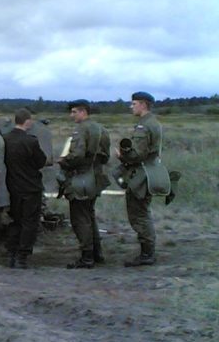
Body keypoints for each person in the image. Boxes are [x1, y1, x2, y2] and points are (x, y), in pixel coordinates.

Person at [57, 100, 110, 269]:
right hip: (96, 176)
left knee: (80, 218)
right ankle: (96, 253)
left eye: (74, 112)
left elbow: (77, 155)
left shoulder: (81, 129)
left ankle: (87, 257)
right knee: (89, 215)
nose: (71, 115)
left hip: (81, 178)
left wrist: (64, 162)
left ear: (83, 112)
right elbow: (106, 156)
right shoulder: (102, 129)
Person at [117, 91, 162, 267]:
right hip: (148, 171)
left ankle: (147, 254)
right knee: (141, 212)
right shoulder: (152, 122)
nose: (131, 106)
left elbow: (138, 154)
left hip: (142, 174)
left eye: (134, 103)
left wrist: (122, 155)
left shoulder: (144, 126)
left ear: (143, 104)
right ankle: (147, 252)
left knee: (139, 214)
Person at [3, 108, 48, 269]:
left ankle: (11, 254)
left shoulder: (5, 139)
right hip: (31, 187)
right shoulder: (31, 141)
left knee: (16, 221)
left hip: (13, 187)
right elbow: (41, 162)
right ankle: (23, 256)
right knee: (30, 223)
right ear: (27, 121)